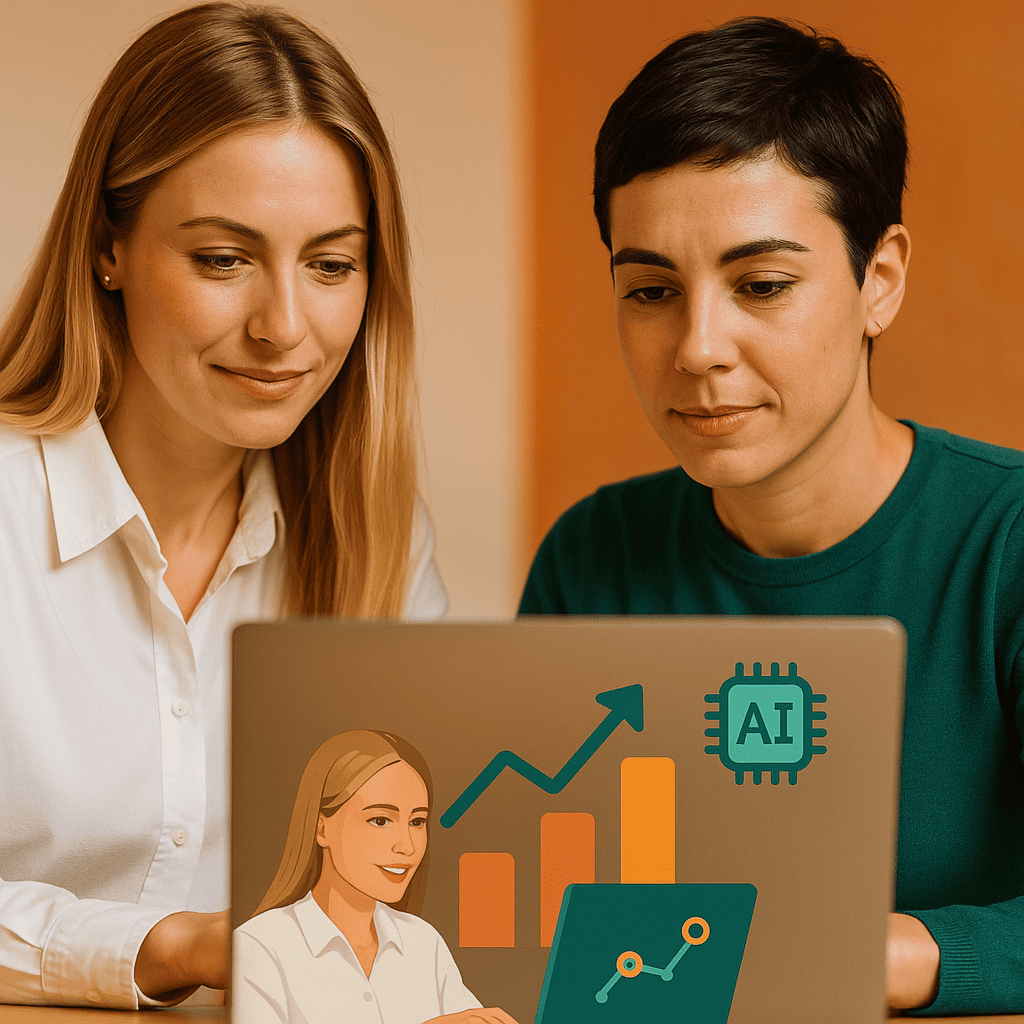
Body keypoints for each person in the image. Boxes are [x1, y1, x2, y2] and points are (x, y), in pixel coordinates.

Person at [519, 16, 1024, 1016]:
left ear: (878, 281)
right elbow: (533, 912)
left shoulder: (1004, 542)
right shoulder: (591, 556)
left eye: (761, 284)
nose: (698, 346)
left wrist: (883, 954)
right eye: (651, 289)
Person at [0, 3, 448, 1009]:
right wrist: (168, 946)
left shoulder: (373, 528)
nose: (284, 326)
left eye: (331, 266)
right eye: (222, 259)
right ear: (108, 249)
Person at [234, 730, 519, 1024]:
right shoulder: (259, 947)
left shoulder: (424, 942)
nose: (406, 846)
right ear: (321, 828)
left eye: (417, 821)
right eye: (380, 820)